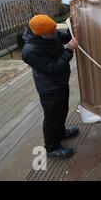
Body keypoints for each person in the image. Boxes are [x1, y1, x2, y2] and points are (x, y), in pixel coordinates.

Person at [22, 14, 79, 159]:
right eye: (52, 32)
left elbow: (64, 36)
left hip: (60, 83)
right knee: (52, 117)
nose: (55, 33)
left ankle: (61, 133)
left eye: (55, 30)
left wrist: (73, 26)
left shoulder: (49, 33)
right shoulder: (31, 51)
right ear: (40, 34)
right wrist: (69, 50)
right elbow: (54, 68)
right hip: (49, 88)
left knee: (62, 110)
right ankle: (52, 147)